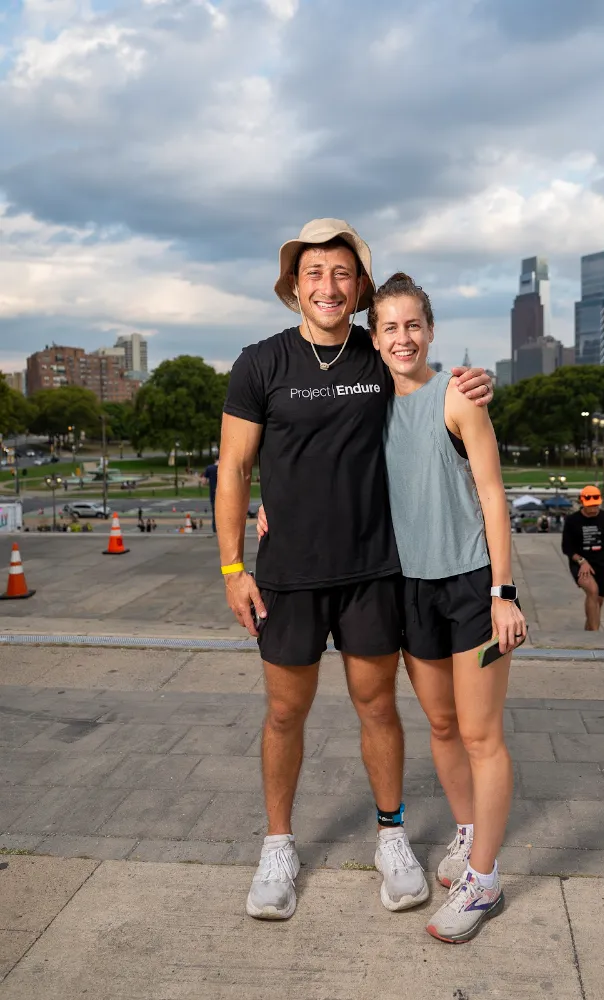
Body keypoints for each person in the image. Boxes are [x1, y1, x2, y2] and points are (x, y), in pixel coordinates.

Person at [216, 219, 493, 923]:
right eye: (314, 273)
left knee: (378, 707)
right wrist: (231, 567)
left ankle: (392, 836)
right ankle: (278, 845)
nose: (328, 286)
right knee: (284, 712)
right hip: (285, 577)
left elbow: (429, 379)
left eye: (342, 274)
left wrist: (475, 377)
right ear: (294, 285)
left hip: (373, 571)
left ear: (359, 287)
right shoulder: (260, 364)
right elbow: (234, 470)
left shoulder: (379, 352)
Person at [370, 272, 525, 942]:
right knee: (439, 725)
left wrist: (504, 592)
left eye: (413, 325)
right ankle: (466, 835)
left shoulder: (458, 396)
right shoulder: (367, 403)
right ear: (372, 338)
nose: (402, 338)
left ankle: (483, 884)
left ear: (429, 331)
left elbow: (493, 495)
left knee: (480, 734)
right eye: (389, 327)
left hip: (470, 584)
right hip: (409, 587)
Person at [561, 486, 604, 631]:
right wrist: (582, 562)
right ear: (582, 502)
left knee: (597, 603)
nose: (593, 509)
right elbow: (566, 548)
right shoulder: (572, 520)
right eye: (590, 506)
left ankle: (587, 634)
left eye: (596, 505)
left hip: (600, 564)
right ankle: (596, 636)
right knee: (592, 591)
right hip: (579, 563)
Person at [201, 458, 219, 533]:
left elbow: (204, 482)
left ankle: (215, 529)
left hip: (213, 493)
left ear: (215, 459)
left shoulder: (209, 468)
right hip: (224, 494)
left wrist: (210, 483)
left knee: (215, 513)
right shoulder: (224, 468)